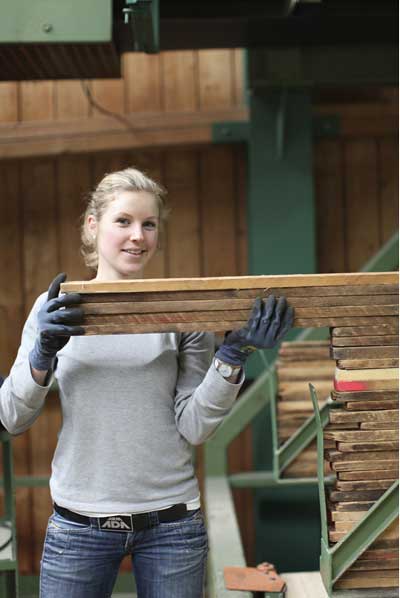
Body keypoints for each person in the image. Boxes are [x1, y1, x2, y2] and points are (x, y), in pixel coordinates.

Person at [0, 167, 293, 598]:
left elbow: (195, 426)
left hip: (171, 527)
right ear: (93, 224)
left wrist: (233, 357)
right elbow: (11, 417)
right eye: (124, 221)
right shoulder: (56, 309)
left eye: (149, 224)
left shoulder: (181, 313)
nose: (138, 235)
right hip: (78, 524)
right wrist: (42, 356)